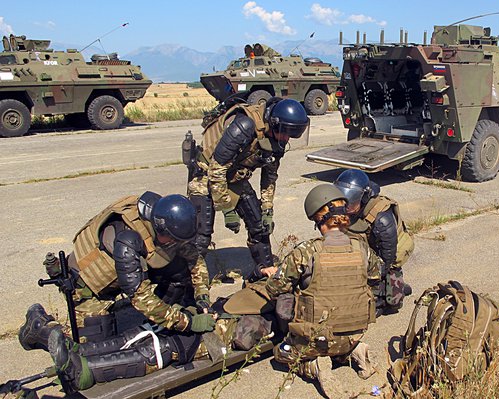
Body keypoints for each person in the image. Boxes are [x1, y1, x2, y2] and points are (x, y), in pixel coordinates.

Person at [18, 192, 217, 352]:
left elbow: (195, 260)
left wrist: (202, 298)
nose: (176, 244)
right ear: (159, 228)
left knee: (180, 269)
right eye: (173, 240)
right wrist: (187, 323)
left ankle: (162, 317)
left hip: (123, 273)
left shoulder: (165, 219)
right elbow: (141, 298)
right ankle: (39, 326)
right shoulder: (127, 240)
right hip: (88, 285)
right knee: (92, 347)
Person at [255, 184, 381, 398]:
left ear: (318, 219)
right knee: (342, 342)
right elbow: (375, 277)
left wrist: (277, 274)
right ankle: (356, 352)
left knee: (281, 354)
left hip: (316, 341)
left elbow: (275, 288)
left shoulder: (306, 252)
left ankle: (315, 367)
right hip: (353, 334)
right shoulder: (362, 248)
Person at [185, 97, 309, 279]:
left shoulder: (277, 138)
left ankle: (267, 272)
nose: (287, 138)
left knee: (259, 226)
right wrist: (227, 209)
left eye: (292, 134)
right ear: (274, 123)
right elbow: (217, 168)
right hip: (205, 175)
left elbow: (270, 175)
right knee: (201, 236)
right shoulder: (244, 126)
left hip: (234, 175)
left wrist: (267, 209)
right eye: (286, 133)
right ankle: (189, 282)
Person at [333, 169, 414, 314]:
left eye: (350, 203)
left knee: (390, 303)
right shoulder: (349, 208)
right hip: (365, 249)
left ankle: (397, 289)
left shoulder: (382, 219)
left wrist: (367, 280)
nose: (345, 208)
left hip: (385, 256)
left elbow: (387, 259)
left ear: (363, 198)